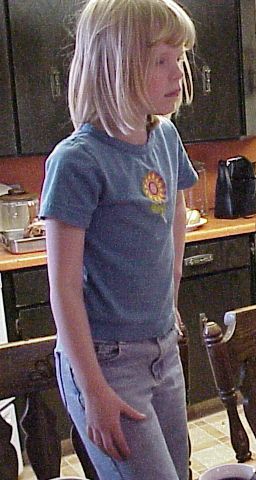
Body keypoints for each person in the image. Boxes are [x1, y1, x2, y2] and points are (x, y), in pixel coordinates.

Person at [39, 1, 197, 478]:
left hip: (162, 347)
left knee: (179, 470)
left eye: (180, 57)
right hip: (106, 362)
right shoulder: (77, 161)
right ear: (115, 65)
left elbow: (176, 216)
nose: (178, 72)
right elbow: (64, 288)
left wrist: (169, 302)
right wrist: (93, 390)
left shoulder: (165, 137)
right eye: (161, 60)